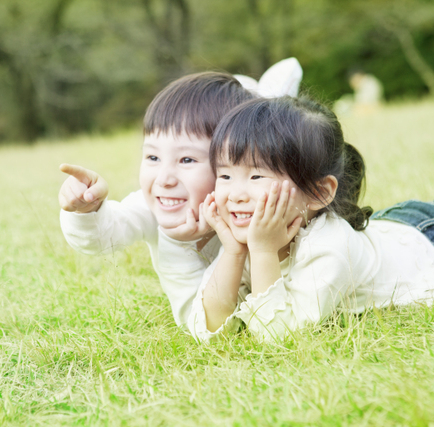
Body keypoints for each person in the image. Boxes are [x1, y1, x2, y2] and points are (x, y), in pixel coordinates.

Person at [182, 96, 434, 342]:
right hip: (390, 229)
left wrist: (264, 252)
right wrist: (233, 252)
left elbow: (278, 335)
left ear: (317, 193)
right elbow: (210, 327)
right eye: (225, 176)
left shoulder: (328, 244)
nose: (235, 193)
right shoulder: (247, 237)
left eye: (256, 177)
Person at [58, 62, 303, 327]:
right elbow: (100, 238)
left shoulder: (253, 204)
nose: (164, 178)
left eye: (186, 160)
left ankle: (267, 99)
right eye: (152, 156)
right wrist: (86, 210)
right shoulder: (150, 207)